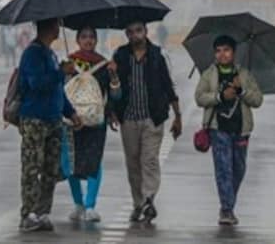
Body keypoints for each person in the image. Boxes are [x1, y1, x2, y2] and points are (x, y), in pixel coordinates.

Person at [110, 21, 182, 224]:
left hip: (153, 117)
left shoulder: (158, 55)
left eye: (138, 31)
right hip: (129, 118)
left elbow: (169, 86)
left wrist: (178, 116)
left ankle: (149, 199)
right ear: (126, 34)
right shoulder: (120, 56)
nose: (135, 35)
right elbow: (114, 91)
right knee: (133, 163)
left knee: (149, 160)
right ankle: (138, 204)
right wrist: (112, 110)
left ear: (146, 31)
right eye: (131, 32)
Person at [18, 17, 83, 232]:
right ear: (47, 27)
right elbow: (36, 84)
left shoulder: (51, 54)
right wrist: (59, 73)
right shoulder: (32, 54)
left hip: (54, 120)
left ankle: (42, 212)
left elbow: (57, 91)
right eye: (56, 25)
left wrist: (71, 112)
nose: (59, 29)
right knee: (32, 167)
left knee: (50, 170)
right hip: (35, 120)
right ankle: (28, 213)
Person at [194, 35, 263, 226]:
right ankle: (226, 209)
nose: (222, 54)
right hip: (218, 129)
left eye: (226, 50)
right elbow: (199, 98)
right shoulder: (209, 74)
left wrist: (242, 92)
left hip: (241, 129)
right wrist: (219, 96)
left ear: (233, 53)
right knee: (223, 169)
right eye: (218, 50)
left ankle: (228, 202)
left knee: (238, 169)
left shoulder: (245, 75)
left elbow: (258, 100)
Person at [60, 26, 121, 223]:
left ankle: (90, 205)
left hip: (96, 121)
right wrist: (65, 72)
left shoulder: (104, 65)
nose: (88, 41)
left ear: (96, 40)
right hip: (72, 120)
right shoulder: (68, 62)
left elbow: (114, 95)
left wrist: (113, 76)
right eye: (84, 37)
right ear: (77, 40)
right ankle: (78, 204)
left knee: (94, 160)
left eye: (91, 37)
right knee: (72, 161)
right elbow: (60, 90)